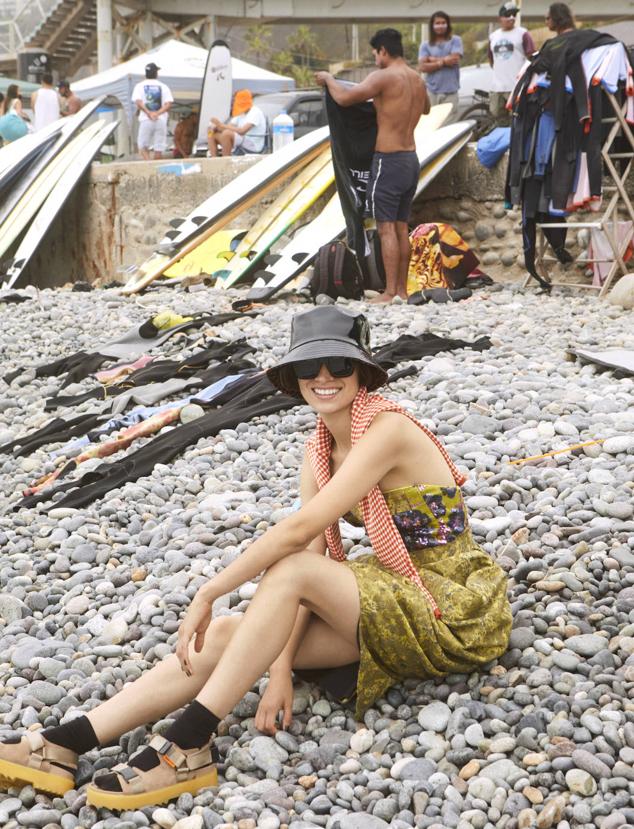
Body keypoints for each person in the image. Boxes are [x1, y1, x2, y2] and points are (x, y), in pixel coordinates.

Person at [0, 305, 512, 810]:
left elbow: (300, 535)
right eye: (309, 367)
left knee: (287, 571)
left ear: (363, 372)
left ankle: (189, 744)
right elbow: (312, 554)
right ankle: (65, 744)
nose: (324, 378)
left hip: (450, 603)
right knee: (225, 634)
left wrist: (211, 588)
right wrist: (280, 670)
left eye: (339, 365)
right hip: (392, 594)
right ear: (293, 376)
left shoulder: (388, 430)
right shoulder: (319, 449)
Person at [316, 29, 429, 304]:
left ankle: (390, 292)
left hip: (388, 161)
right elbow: (425, 108)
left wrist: (329, 79)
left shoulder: (383, 76)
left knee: (386, 228)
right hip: (410, 159)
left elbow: (344, 98)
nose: (375, 58)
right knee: (401, 227)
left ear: (383, 51)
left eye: (375, 53)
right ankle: (402, 290)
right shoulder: (417, 79)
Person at [488, 4, 536, 126]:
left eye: (513, 15)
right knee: (498, 119)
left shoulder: (523, 33)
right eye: (507, 15)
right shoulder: (493, 36)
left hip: (516, 87)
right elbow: (491, 59)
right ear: (500, 18)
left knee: (517, 121)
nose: (511, 18)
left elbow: (532, 56)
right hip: (497, 88)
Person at [418, 11, 463, 124]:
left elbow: (454, 60)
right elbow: (422, 67)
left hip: (450, 91)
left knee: (448, 127)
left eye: (443, 22)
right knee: (431, 124)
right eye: (437, 23)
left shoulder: (455, 40)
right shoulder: (425, 45)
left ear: (448, 24)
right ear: (432, 26)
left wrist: (432, 59)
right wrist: (443, 62)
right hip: (431, 92)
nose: (440, 25)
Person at [132, 63, 174, 160]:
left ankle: (148, 164)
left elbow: (138, 102)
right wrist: (157, 113)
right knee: (159, 147)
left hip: (146, 120)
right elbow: (168, 104)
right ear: (156, 74)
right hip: (161, 120)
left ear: (145, 74)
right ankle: (156, 167)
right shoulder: (164, 86)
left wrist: (148, 113)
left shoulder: (139, 86)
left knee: (142, 146)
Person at [207, 89, 266, 157]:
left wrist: (221, 125)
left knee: (227, 134)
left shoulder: (255, 112)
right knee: (211, 132)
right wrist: (216, 127)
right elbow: (228, 126)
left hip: (253, 143)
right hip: (241, 140)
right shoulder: (241, 112)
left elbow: (242, 131)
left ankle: (225, 160)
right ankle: (214, 159)